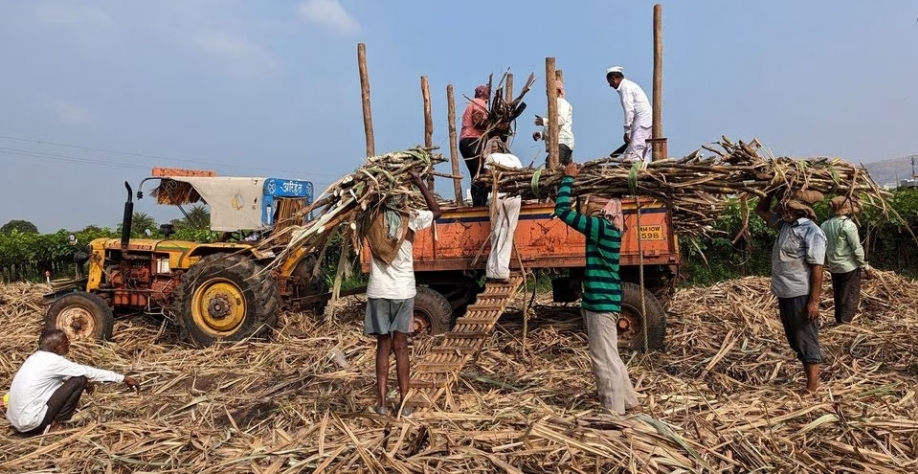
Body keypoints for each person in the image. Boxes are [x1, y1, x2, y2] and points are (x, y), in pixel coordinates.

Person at [554, 162, 639, 415]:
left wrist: (568, 179)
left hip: (601, 304)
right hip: (603, 301)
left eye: (591, 204)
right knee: (611, 355)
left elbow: (561, 211)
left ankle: (613, 411)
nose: (587, 208)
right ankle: (631, 403)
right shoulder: (610, 230)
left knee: (603, 359)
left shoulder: (601, 228)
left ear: (603, 210)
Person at [364, 168, 441, 417]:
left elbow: (358, 206)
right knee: (401, 347)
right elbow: (437, 211)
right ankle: (404, 403)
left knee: (383, 346)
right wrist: (419, 181)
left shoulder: (372, 218)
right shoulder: (411, 218)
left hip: (378, 292)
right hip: (403, 292)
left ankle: (382, 403)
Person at [755, 190, 827, 393]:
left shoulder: (811, 231)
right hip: (784, 291)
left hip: (800, 293)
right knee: (794, 339)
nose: (783, 208)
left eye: (788, 206)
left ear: (801, 209)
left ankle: (812, 387)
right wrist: (768, 189)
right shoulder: (785, 225)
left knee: (805, 338)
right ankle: (810, 382)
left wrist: (814, 301)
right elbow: (760, 210)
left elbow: (817, 268)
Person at [6, 329, 140, 435]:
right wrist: (123, 378)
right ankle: (55, 425)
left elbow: (54, 383)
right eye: (65, 342)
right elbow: (86, 372)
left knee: (79, 379)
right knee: (80, 379)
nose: (69, 344)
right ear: (56, 348)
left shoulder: (35, 358)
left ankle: (48, 422)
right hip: (32, 422)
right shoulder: (54, 361)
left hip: (18, 422)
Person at [821, 196, 871, 325]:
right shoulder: (848, 225)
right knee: (850, 295)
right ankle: (845, 322)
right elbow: (856, 248)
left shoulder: (824, 225)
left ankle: (839, 319)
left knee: (838, 293)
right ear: (846, 209)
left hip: (833, 265)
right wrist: (865, 266)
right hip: (849, 266)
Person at [483, 138, 523, 283]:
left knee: (496, 232)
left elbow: (487, 179)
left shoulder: (491, 157)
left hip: (499, 196)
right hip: (515, 197)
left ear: (493, 148)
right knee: (507, 233)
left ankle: (496, 271)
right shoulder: (515, 159)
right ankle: (499, 270)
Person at [605, 66, 652, 165]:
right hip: (645, 121)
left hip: (642, 121)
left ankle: (636, 177)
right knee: (643, 152)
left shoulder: (625, 88)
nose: (609, 85)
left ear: (614, 78)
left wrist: (627, 131)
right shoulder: (629, 86)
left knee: (634, 154)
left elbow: (629, 111)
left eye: (609, 81)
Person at [459, 84, 491, 206]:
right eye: (487, 92)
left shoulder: (472, 103)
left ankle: (477, 202)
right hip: (473, 140)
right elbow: (477, 121)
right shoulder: (479, 102)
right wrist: (491, 122)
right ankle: (480, 203)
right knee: (481, 172)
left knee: (474, 174)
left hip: (464, 141)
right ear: (483, 93)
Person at [533, 80, 575, 166]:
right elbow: (553, 128)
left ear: (557, 91)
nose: (546, 92)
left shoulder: (561, 102)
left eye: (549, 89)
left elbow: (561, 120)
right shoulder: (553, 105)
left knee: (551, 164)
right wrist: (542, 135)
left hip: (562, 142)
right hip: (559, 143)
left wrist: (544, 121)